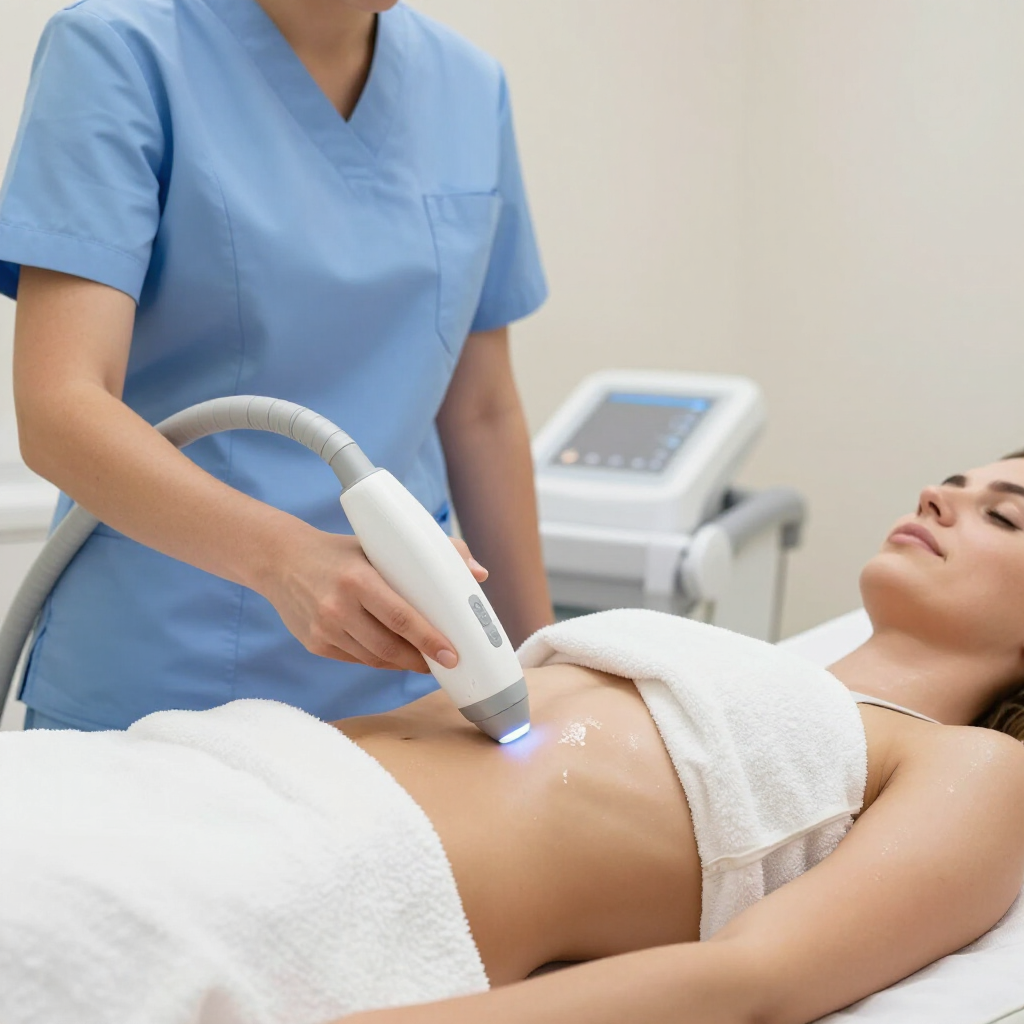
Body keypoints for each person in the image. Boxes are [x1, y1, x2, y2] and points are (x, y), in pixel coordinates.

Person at [0, 0, 552, 731]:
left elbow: (481, 414)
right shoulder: (119, 51)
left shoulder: (470, 89)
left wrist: (543, 670)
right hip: (167, 680)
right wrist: (284, 559)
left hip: (414, 680)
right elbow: (60, 408)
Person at [325, 451, 1024, 1023]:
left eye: (1003, 516)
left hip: (343, 888)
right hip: (277, 756)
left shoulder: (974, 767)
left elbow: (751, 981)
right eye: (953, 482)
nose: (935, 495)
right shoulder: (736, 665)